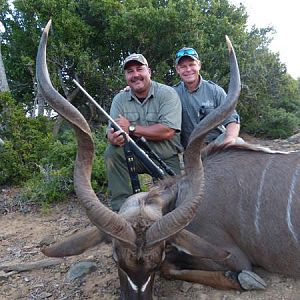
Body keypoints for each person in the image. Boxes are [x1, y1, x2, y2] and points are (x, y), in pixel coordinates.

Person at [104, 53, 183, 211]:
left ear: (149, 71)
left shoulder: (167, 94)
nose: (135, 75)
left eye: (140, 69)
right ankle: (121, 209)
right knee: (112, 153)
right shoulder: (119, 99)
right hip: (135, 155)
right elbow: (112, 130)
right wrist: (113, 138)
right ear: (126, 76)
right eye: (130, 71)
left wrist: (131, 128)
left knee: (177, 202)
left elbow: (167, 131)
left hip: (166, 157)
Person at [173, 47, 243, 149]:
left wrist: (229, 140)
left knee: (238, 142)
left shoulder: (215, 91)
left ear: (199, 65)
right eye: (183, 67)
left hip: (214, 147)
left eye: (192, 65)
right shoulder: (173, 93)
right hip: (189, 151)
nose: (188, 70)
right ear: (177, 70)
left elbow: (232, 119)